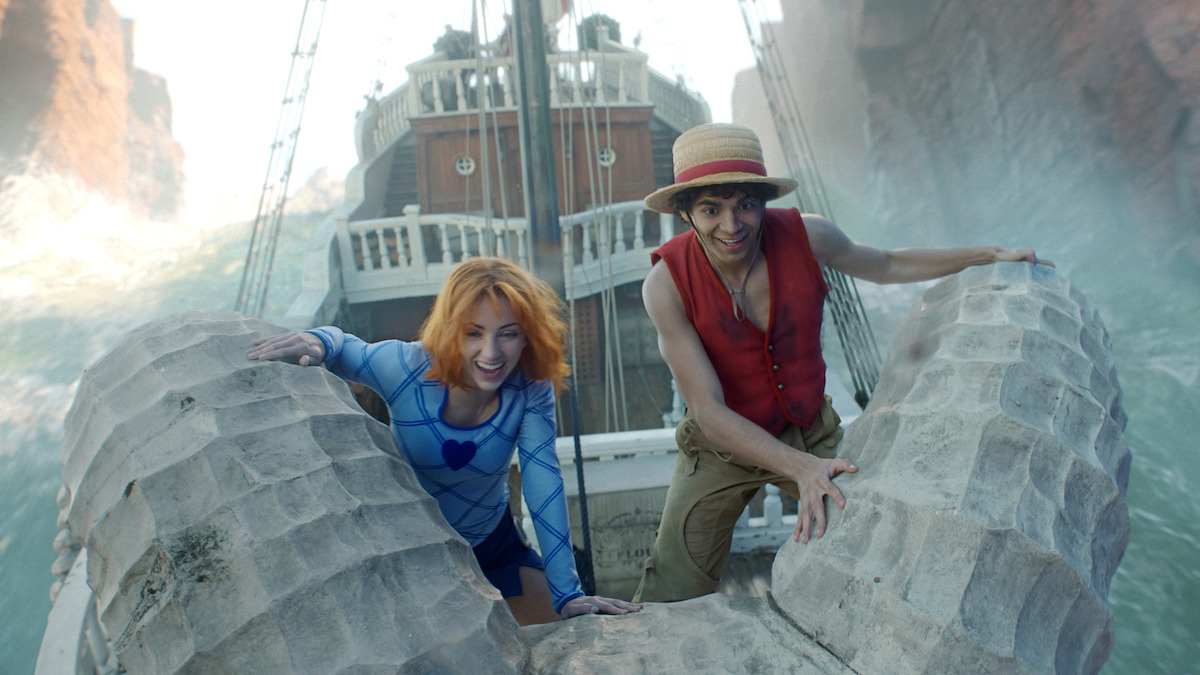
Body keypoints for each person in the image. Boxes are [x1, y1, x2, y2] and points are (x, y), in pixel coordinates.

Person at [633, 123, 1053, 603]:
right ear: (685, 213)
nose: (732, 226)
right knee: (671, 585)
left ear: (762, 203)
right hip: (719, 449)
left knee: (879, 543)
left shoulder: (807, 236)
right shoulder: (665, 285)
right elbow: (708, 411)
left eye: (745, 205)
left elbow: (888, 264)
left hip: (811, 431)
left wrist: (989, 255)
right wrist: (800, 469)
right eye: (712, 209)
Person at [248, 256, 642, 625]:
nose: (491, 353)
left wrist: (568, 593)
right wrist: (320, 341)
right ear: (451, 330)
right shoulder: (407, 366)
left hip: (494, 542)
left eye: (507, 334)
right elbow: (348, 347)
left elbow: (543, 482)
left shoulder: (530, 388)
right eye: (474, 333)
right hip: (416, 549)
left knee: (562, 631)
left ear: (527, 337)